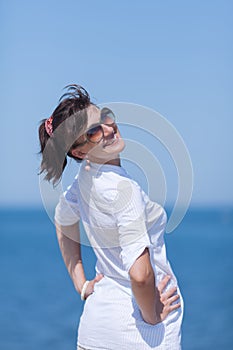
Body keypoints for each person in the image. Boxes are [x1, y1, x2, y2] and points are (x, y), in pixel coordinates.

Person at [38, 84, 183, 350]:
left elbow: (63, 220)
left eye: (105, 117)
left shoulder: (85, 180)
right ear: (79, 153)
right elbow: (140, 275)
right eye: (93, 131)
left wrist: (82, 285)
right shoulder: (123, 190)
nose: (108, 129)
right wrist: (152, 316)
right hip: (138, 336)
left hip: (95, 330)